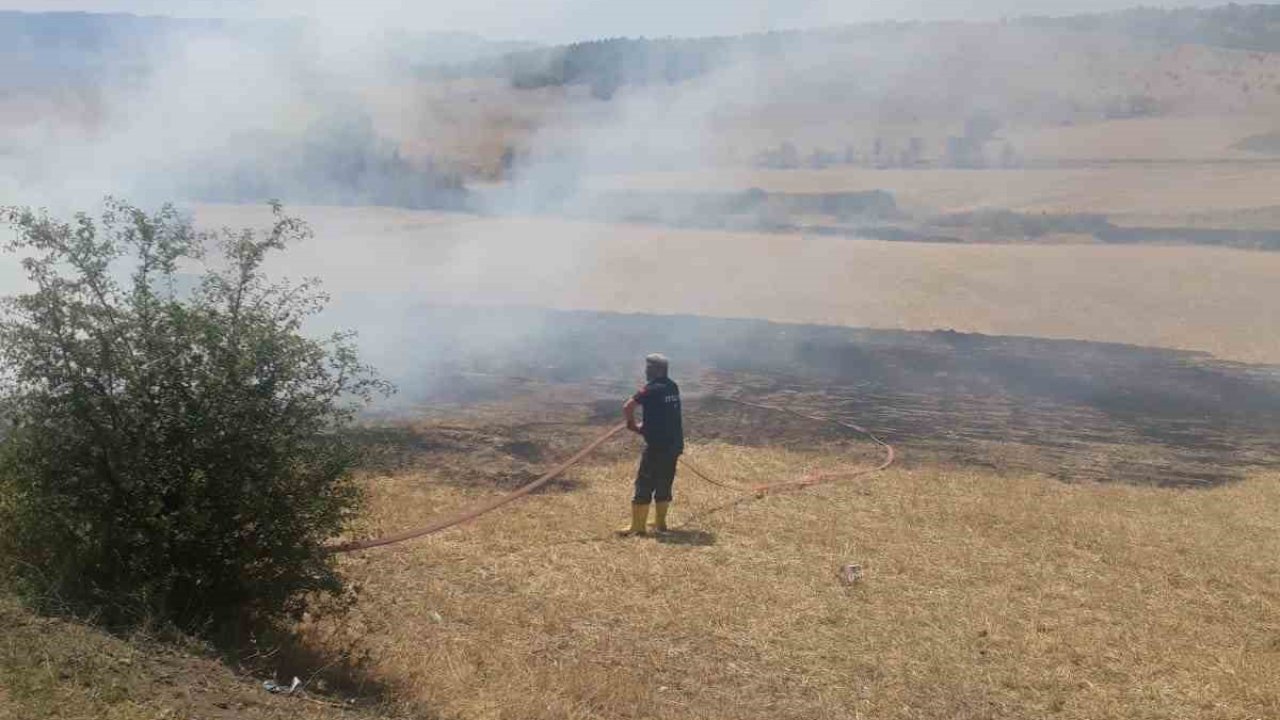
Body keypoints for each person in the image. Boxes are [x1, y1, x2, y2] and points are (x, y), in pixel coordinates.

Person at [619, 353, 684, 536]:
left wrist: (631, 425)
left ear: (657, 369)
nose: (646, 371)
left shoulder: (651, 388)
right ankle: (660, 524)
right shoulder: (673, 387)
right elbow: (664, 415)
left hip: (657, 447)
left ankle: (638, 528)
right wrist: (644, 427)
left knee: (644, 484)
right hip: (674, 445)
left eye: (649, 367)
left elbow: (628, 406)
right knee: (664, 483)